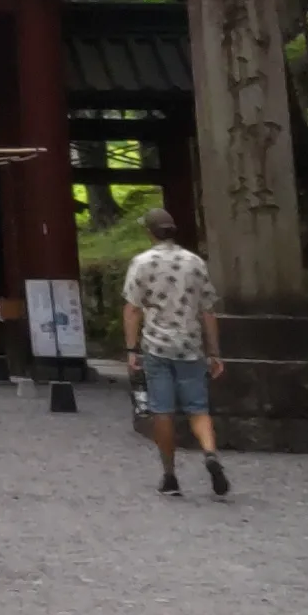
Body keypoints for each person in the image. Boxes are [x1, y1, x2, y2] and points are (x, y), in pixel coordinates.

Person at [121, 202, 230, 496]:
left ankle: (170, 475)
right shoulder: (195, 262)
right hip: (191, 346)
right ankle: (210, 453)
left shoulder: (142, 263)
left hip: (157, 346)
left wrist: (132, 350)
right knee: (198, 409)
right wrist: (214, 352)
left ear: (150, 232)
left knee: (162, 412)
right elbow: (208, 310)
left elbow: (132, 309)